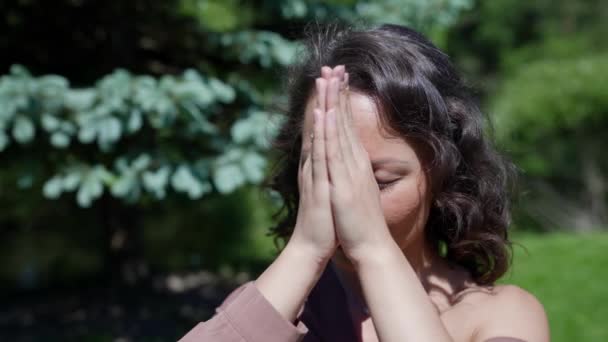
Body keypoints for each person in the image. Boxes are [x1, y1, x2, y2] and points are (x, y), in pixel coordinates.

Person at [179, 23, 550, 342]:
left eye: (380, 181)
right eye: (324, 170)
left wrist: (374, 249)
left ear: (441, 172)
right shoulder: (280, 305)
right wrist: (305, 250)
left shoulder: (501, 314)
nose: (344, 199)